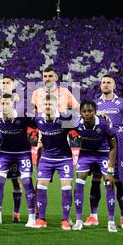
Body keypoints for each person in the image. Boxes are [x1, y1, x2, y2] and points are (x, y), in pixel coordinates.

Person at [88, 74, 123, 232]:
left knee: (117, 181)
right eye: (103, 82)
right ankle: (93, 216)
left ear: (114, 86)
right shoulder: (94, 104)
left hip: (117, 147)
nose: (106, 84)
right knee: (95, 180)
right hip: (97, 147)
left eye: (109, 82)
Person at [0, 94, 37, 227]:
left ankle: (32, 218)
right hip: (5, 154)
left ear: (13, 105)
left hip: (23, 154)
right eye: (2, 103)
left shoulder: (23, 117)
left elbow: (39, 122)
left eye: (7, 104)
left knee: (27, 182)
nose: (4, 106)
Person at [34, 94, 78, 230]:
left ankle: (65, 219)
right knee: (41, 186)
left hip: (64, 158)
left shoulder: (64, 119)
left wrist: (98, 115)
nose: (47, 107)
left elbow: (81, 122)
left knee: (66, 187)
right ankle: (41, 219)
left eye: (50, 104)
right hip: (46, 158)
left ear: (56, 106)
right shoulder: (37, 119)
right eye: (45, 105)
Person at [72, 100, 117, 231]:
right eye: (84, 111)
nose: (87, 114)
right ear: (80, 113)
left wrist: (110, 171)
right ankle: (79, 220)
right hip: (86, 153)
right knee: (79, 180)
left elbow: (114, 147)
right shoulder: (76, 122)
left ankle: (111, 222)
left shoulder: (104, 124)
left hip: (102, 153)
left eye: (90, 111)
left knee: (109, 183)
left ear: (95, 112)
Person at [0, 76, 24, 223]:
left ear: (13, 85)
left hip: (15, 147)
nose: (4, 85)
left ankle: (16, 213)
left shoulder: (20, 102)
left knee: (16, 180)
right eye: (3, 83)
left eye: (8, 83)